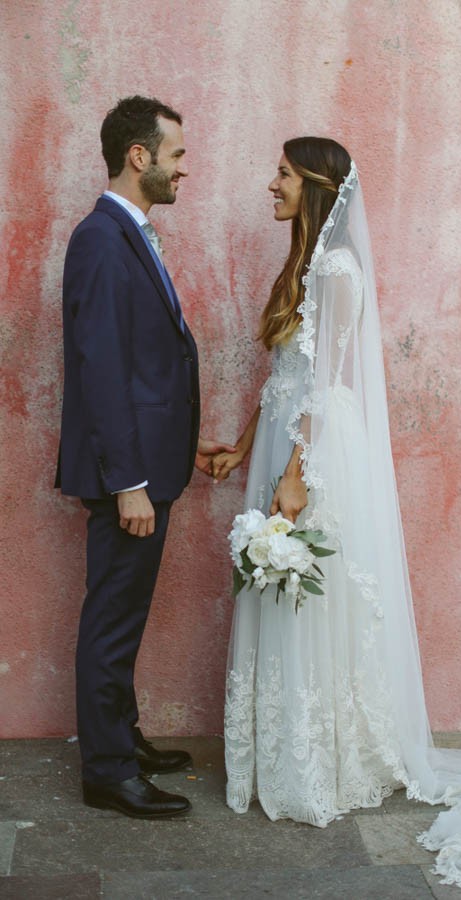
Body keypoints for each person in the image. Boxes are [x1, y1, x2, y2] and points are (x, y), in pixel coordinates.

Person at [212, 137, 461, 887]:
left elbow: (325, 384)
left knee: (303, 597)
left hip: (312, 452)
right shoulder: (301, 266)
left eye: (283, 173)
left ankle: (322, 762)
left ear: (316, 185)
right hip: (281, 445)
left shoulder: (339, 271)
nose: (271, 185)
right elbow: (283, 371)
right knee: (275, 592)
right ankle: (282, 750)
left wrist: (294, 473)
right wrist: (243, 443)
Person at [56, 95, 234, 819]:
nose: (184, 168)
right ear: (140, 156)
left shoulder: (132, 234)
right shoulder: (100, 239)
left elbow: (142, 368)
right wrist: (129, 480)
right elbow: (99, 367)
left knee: (124, 612)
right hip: (125, 476)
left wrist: (182, 442)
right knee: (111, 618)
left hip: (149, 461)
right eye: (177, 155)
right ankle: (106, 770)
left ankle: (121, 738)